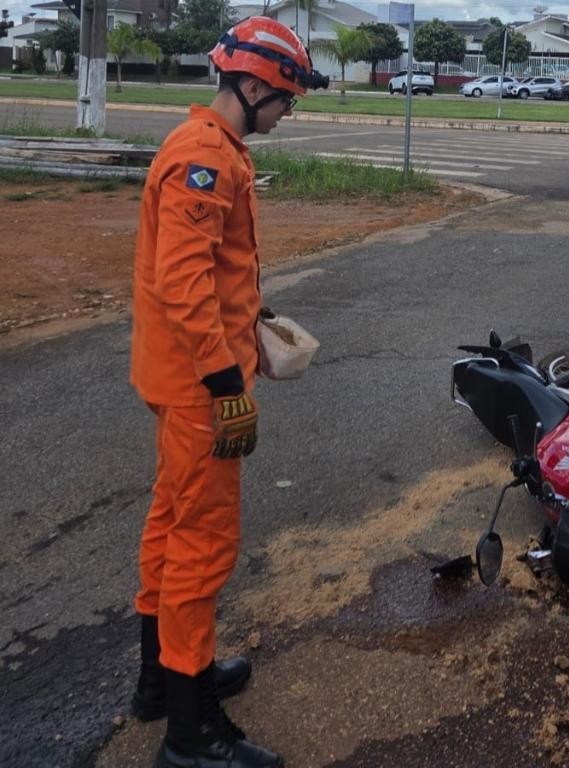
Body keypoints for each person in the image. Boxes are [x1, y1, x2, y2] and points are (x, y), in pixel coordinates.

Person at [129, 16, 327, 768]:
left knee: (170, 520)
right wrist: (225, 386)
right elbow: (182, 286)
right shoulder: (203, 157)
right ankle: (192, 731)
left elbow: (211, 269)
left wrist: (254, 314)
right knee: (201, 546)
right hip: (196, 387)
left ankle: (162, 680)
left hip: (179, 376)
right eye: (283, 100)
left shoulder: (213, 151)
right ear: (250, 86)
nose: (285, 114)